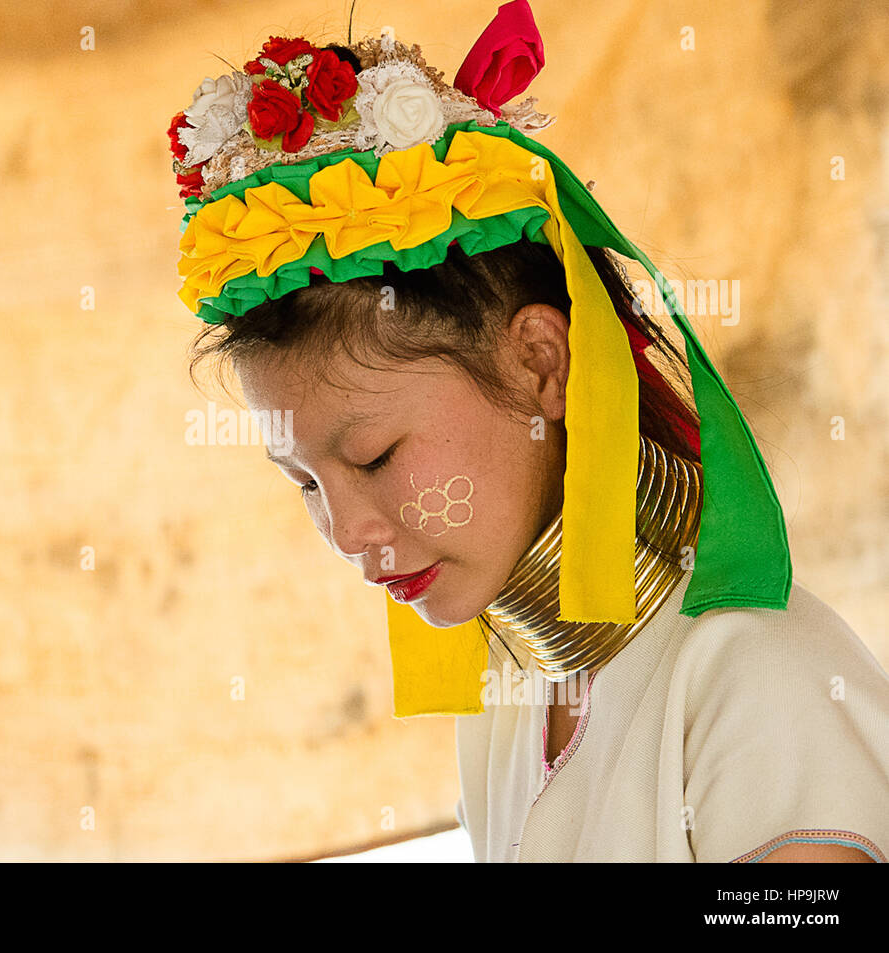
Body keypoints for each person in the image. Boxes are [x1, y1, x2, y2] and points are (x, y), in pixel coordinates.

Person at [167, 0, 889, 861]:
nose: (348, 534)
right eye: (306, 482)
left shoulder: (757, 683)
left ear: (541, 363)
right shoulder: (512, 700)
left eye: (375, 455)